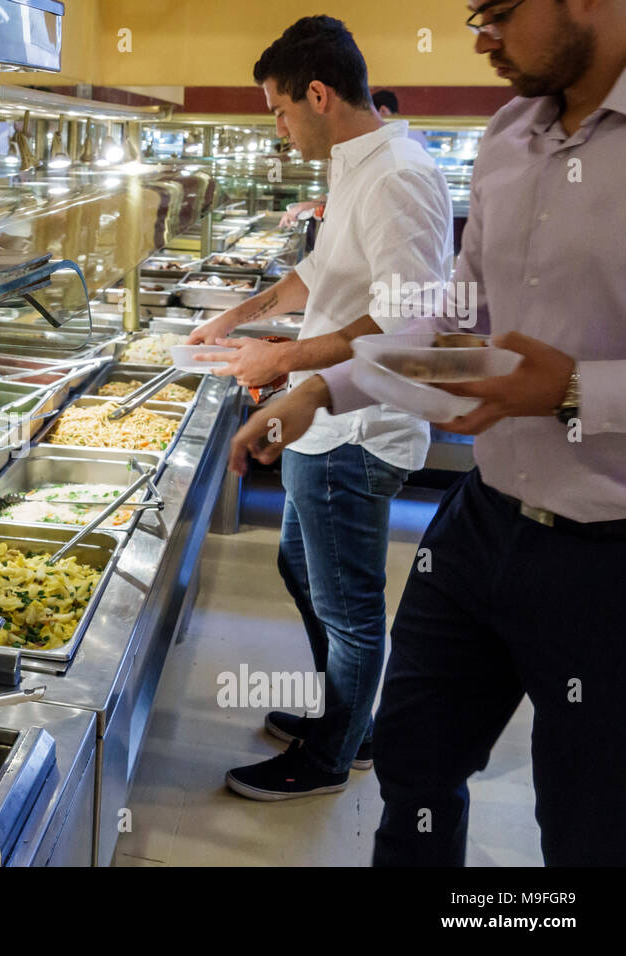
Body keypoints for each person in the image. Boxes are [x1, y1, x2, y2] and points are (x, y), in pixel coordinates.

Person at [229, 0, 626, 865]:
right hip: (486, 517)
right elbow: (449, 323)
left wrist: (572, 392)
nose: (478, 36)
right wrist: (323, 387)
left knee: (589, 825)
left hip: (605, 550)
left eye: (497, 11)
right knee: (412, 762)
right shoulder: (512, 136)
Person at [187, 15, 454, 800]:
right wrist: (236, 319)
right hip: (325, 421)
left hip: (357, 425)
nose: (276, 126)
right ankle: (342, 719)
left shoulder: (397, 171)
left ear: (318, 92)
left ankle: (332, 754)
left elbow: (410, 319)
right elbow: (316, 276)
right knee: (299, 562)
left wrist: (286, 361)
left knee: (349, 607)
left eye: (278, 108)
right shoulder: (355, 164)